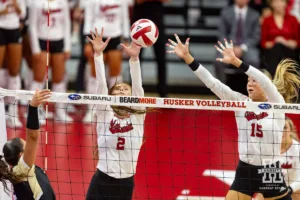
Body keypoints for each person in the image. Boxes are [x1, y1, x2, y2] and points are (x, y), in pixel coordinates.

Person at [167, 35, 300, 199]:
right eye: (248, 81)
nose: (250, 83)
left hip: (269, 169)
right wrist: (188, 58)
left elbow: (265, 81)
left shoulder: (276, 103)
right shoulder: (240, 102)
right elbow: (213, 83)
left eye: (254, 81)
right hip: (245, 169)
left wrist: (237, 62)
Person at [85, 28, 149, 200]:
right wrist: (98, 56)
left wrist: (134, 59)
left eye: (124, 89)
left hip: (125, 183)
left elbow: (138, 88)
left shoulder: (137, 115)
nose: (121, 90)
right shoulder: (105, 113)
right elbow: (101, 87)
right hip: (101, 179)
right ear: (111, 97)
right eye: (117, 89)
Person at [0, 89, 56, 200]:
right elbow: (32, 136)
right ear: (21, 155)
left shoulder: (15, 171)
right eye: (24, 144)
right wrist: (33, 107)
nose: (28, 144)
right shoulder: (23, 168)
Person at [83, 0, 130, 123]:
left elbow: (125, 19)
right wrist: (86, 42)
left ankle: (115, 109)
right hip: (96, 37)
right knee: (94, 75)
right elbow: (88, 18)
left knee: (115, 75)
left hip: (115, 37)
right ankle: (92, 109)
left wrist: (125, 38)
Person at [29, 0, 72, 122]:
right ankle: (36, 111)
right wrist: (35, 48)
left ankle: (60, 111)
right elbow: (32, 25)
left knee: (59, 79)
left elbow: (67, 24)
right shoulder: (36, 3)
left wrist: (67, 47)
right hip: (42, 41)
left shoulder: (62, 3)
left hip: (58, 41)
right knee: (39, 77)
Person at [131, 0, 170, 97]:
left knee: (161, 60)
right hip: (139, 24)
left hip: (157, 23)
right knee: (136, 59)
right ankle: (135, 91)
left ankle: (163, 93)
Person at [255, 117, 300, 200]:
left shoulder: (297, 149)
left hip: (293, 187)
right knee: (260, 196)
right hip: (274, 187)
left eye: (285, 127)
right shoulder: (267, 148)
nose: (281, 131)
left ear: (291, 130)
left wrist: (289, 189)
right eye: (279, 127)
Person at [0, 0, 26, 128]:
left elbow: (23, 15)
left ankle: (12, 111)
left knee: (14, 70)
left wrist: (17, 7)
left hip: (14, 29)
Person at [261, 0, 299, 77]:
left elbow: (297, 42)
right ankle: (276, 79)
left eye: (281, 1)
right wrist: (275, 41)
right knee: (277, 48)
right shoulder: (267, 20)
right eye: (275, 1)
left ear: (286, 3)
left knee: (282, 49)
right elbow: (263, 43)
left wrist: (285, 42)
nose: (278, 4)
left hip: (289, 51)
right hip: (272, 53)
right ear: (271, 4)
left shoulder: (293, 19)